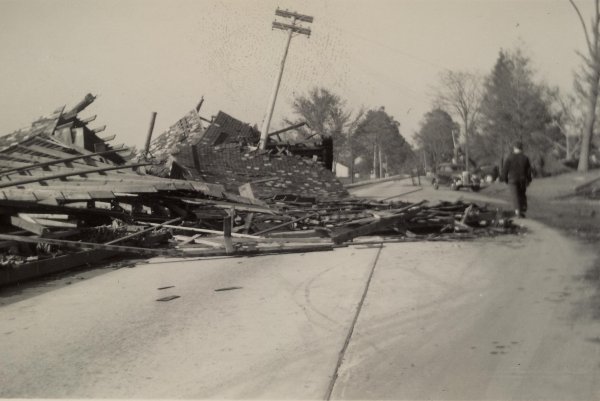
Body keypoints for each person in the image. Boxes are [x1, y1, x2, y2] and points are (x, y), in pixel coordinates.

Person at [501, 141, 532, 218]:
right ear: (521, 148)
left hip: (512, 179)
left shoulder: (509, 158)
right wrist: (529, 180)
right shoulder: (525, 158)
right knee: (522, 194)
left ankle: (517, 212)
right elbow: (528, 171)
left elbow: (505, 170)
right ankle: (522, 209)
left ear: (514, 148)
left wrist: (505, 179)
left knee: (515, 196)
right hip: (522, 179)